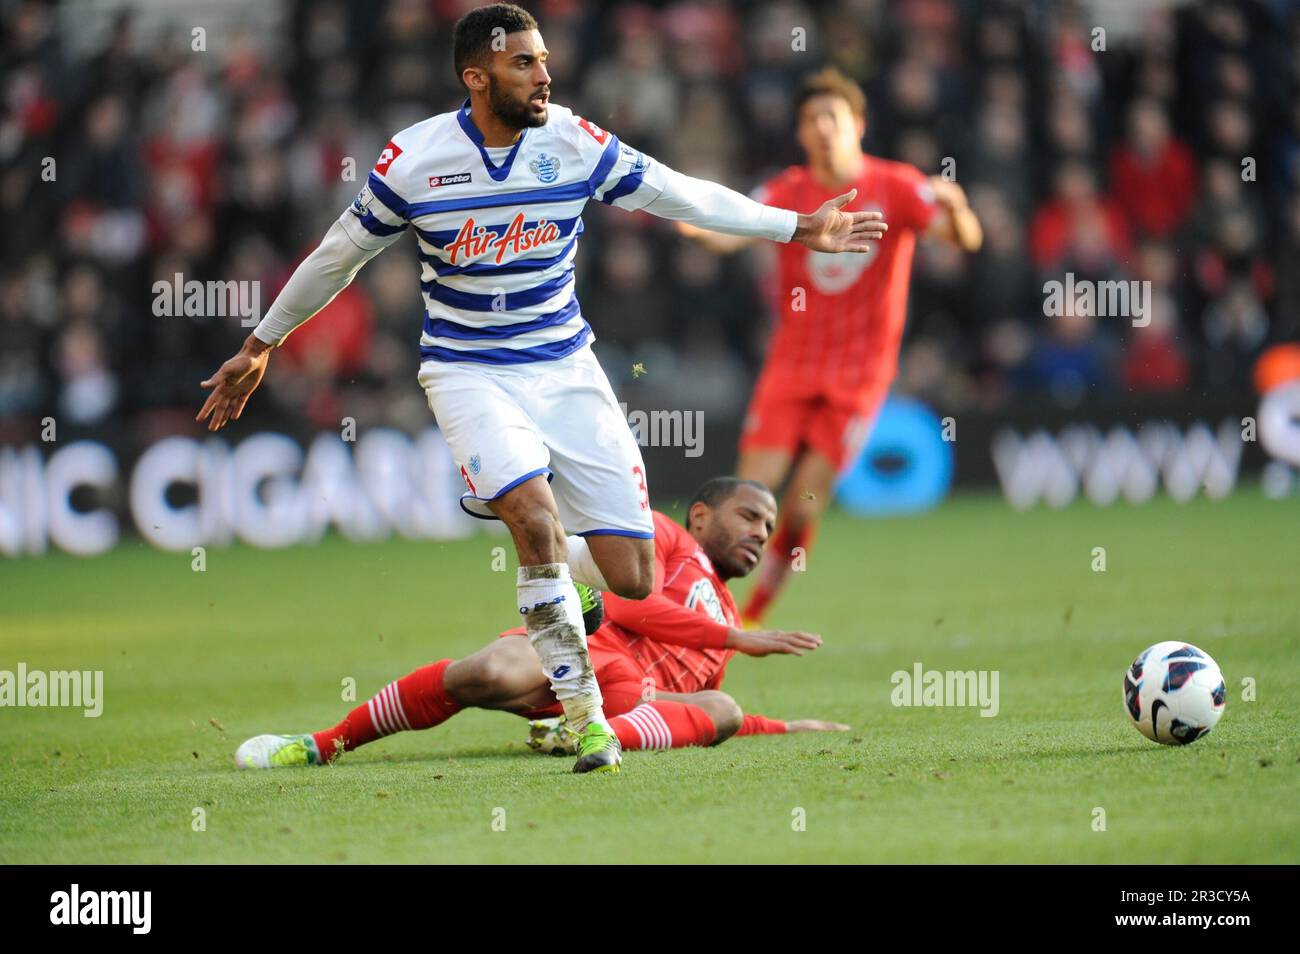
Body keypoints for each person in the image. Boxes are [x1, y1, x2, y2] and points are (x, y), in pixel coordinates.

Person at [197, 7, 886, 774]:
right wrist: (261, 344)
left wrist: (795, 228)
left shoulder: (572, 142)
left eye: (545, 59)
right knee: (534, 519)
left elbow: (679, 193)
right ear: (476, 75)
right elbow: (337, 257)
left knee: (632, 576)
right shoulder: (413, 161)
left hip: (565, 370)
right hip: (469, 371)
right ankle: (587, 717)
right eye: (524, 63)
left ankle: (561, 584)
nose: (544, 75)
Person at [233, 477, 848, 769]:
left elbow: (692, 714)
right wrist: (733, 638)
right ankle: (322, 743)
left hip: (638, 701)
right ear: (701, 515)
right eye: (748, 517)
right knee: (485, 673)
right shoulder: (661, 536)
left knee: (727, 709)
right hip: (588, 648)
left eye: (768, 528)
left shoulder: (730, 611)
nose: (760, 534)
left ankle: (587, 736)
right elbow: (629, 604)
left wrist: (783, 725)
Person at [679, 66, 982, 625]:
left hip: (861, 374)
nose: (822, 127)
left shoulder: (897, 186)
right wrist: (697, 226)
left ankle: (753, 614)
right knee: (748, 495)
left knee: (805, 501)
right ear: (799, 131)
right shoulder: (786, 191)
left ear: (857, 125)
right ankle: (698, 606)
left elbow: (965, 239)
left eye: (831, 116)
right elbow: (733, 228)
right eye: (810, 118)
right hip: (792, 366)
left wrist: (959, 207)